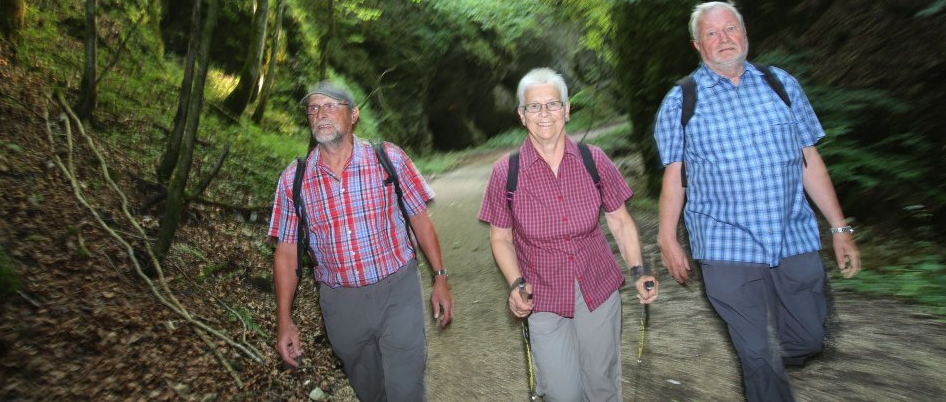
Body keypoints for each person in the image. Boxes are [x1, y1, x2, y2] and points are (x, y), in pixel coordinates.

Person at [653, 0, 861, 402]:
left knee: (809, 336)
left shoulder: (781, 84)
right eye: (711, 34)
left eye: (730, 29)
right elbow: (675, 178)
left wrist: (839, 228)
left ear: (745, 35)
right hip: (724, 244)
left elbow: (809, 161)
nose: (724, 39)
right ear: (698, 46)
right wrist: (667, 238)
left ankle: (789, 347)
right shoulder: (681, 101)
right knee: (757, 354)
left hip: (793, 234)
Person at [479, 67, 659, 402]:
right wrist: (516, 284)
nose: (544, 114)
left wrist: (639, 270)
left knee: (602, 386)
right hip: (543, 295)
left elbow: (619, 221)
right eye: (534, 107)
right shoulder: (507, 172)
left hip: (597, 288)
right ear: (522, 115)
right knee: (563, 394)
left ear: (567, 110)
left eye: (553, 104)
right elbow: (500, 237)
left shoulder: (594, 160)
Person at [270, 80, 453, 402]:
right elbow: (286, 254)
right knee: (369, 390)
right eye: (313, 108)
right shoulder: (293, 180)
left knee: (406, 388)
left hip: (397, 291)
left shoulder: (389, 159)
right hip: (341, 305)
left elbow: (419, 218)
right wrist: (284, 320)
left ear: (353, 115)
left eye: (330, 106)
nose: (320, 115)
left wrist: (440, 277)